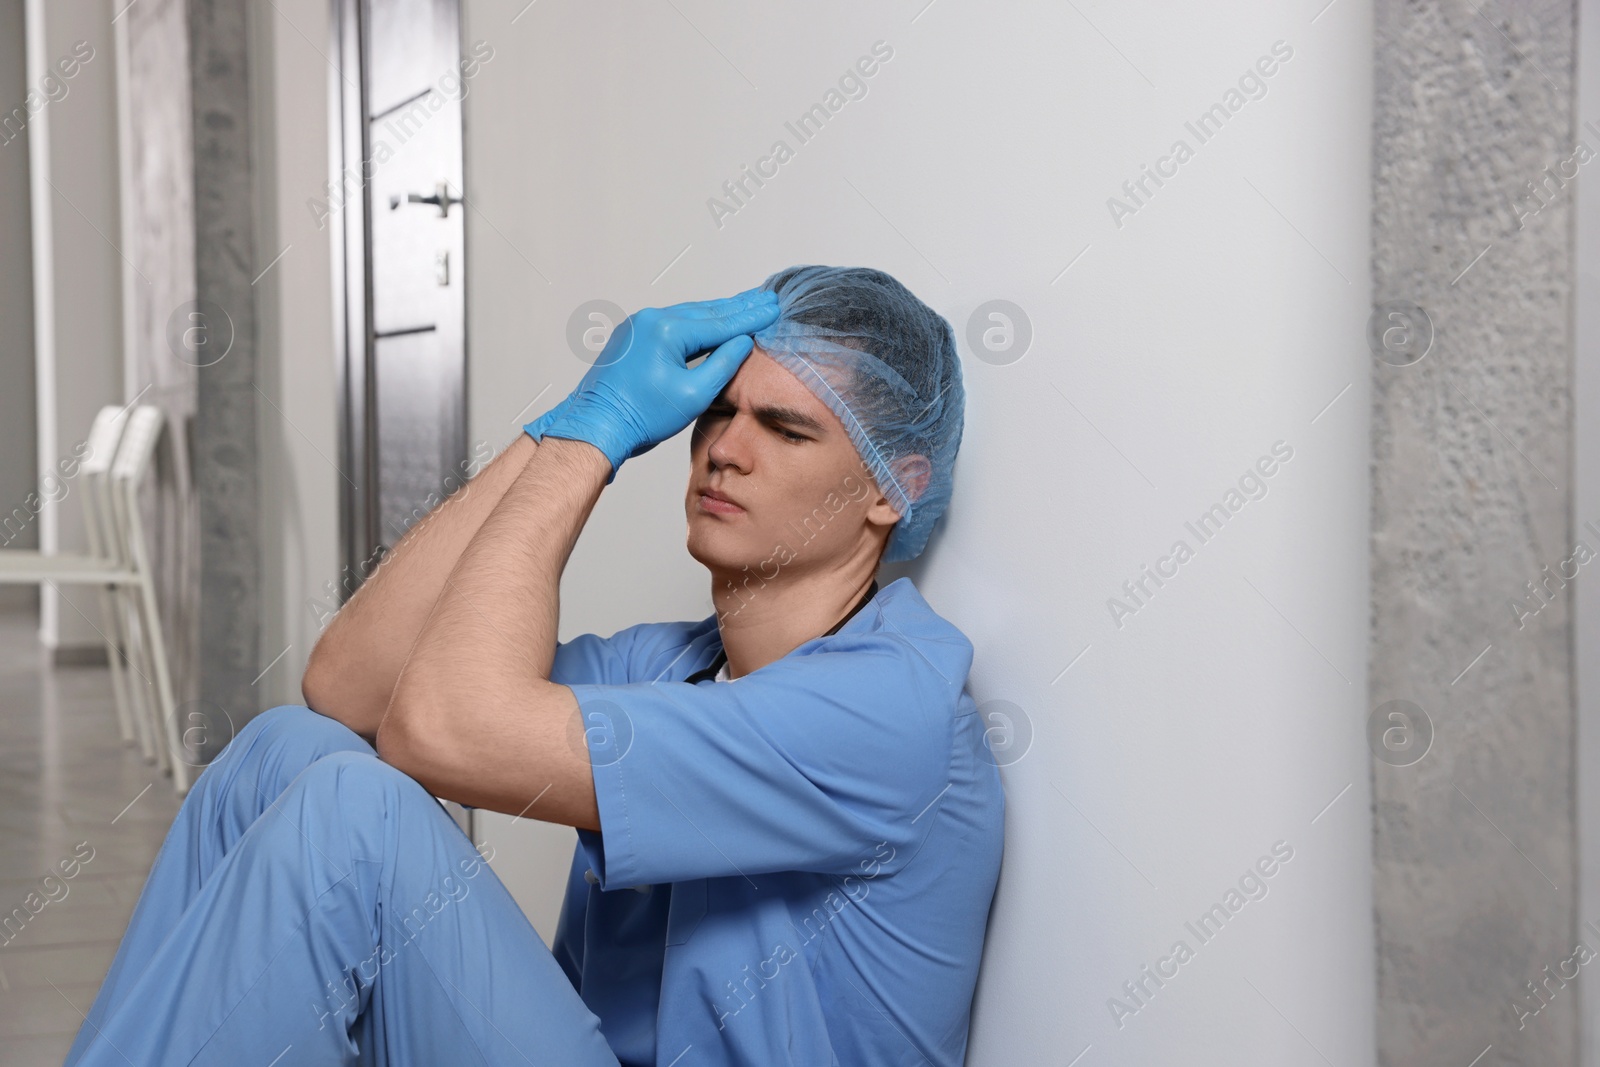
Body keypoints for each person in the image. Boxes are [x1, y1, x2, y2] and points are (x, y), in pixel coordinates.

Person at [65, 265, 1004, 1066]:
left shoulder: (888, 709)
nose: (725, 448)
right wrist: (571, 420)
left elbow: (442, 730)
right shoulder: (672, 664)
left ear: (893, 487)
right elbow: (349, 687)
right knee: (285, 748)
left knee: (354, 816)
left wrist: (591, 451)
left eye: (785, 428)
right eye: (714, 411)